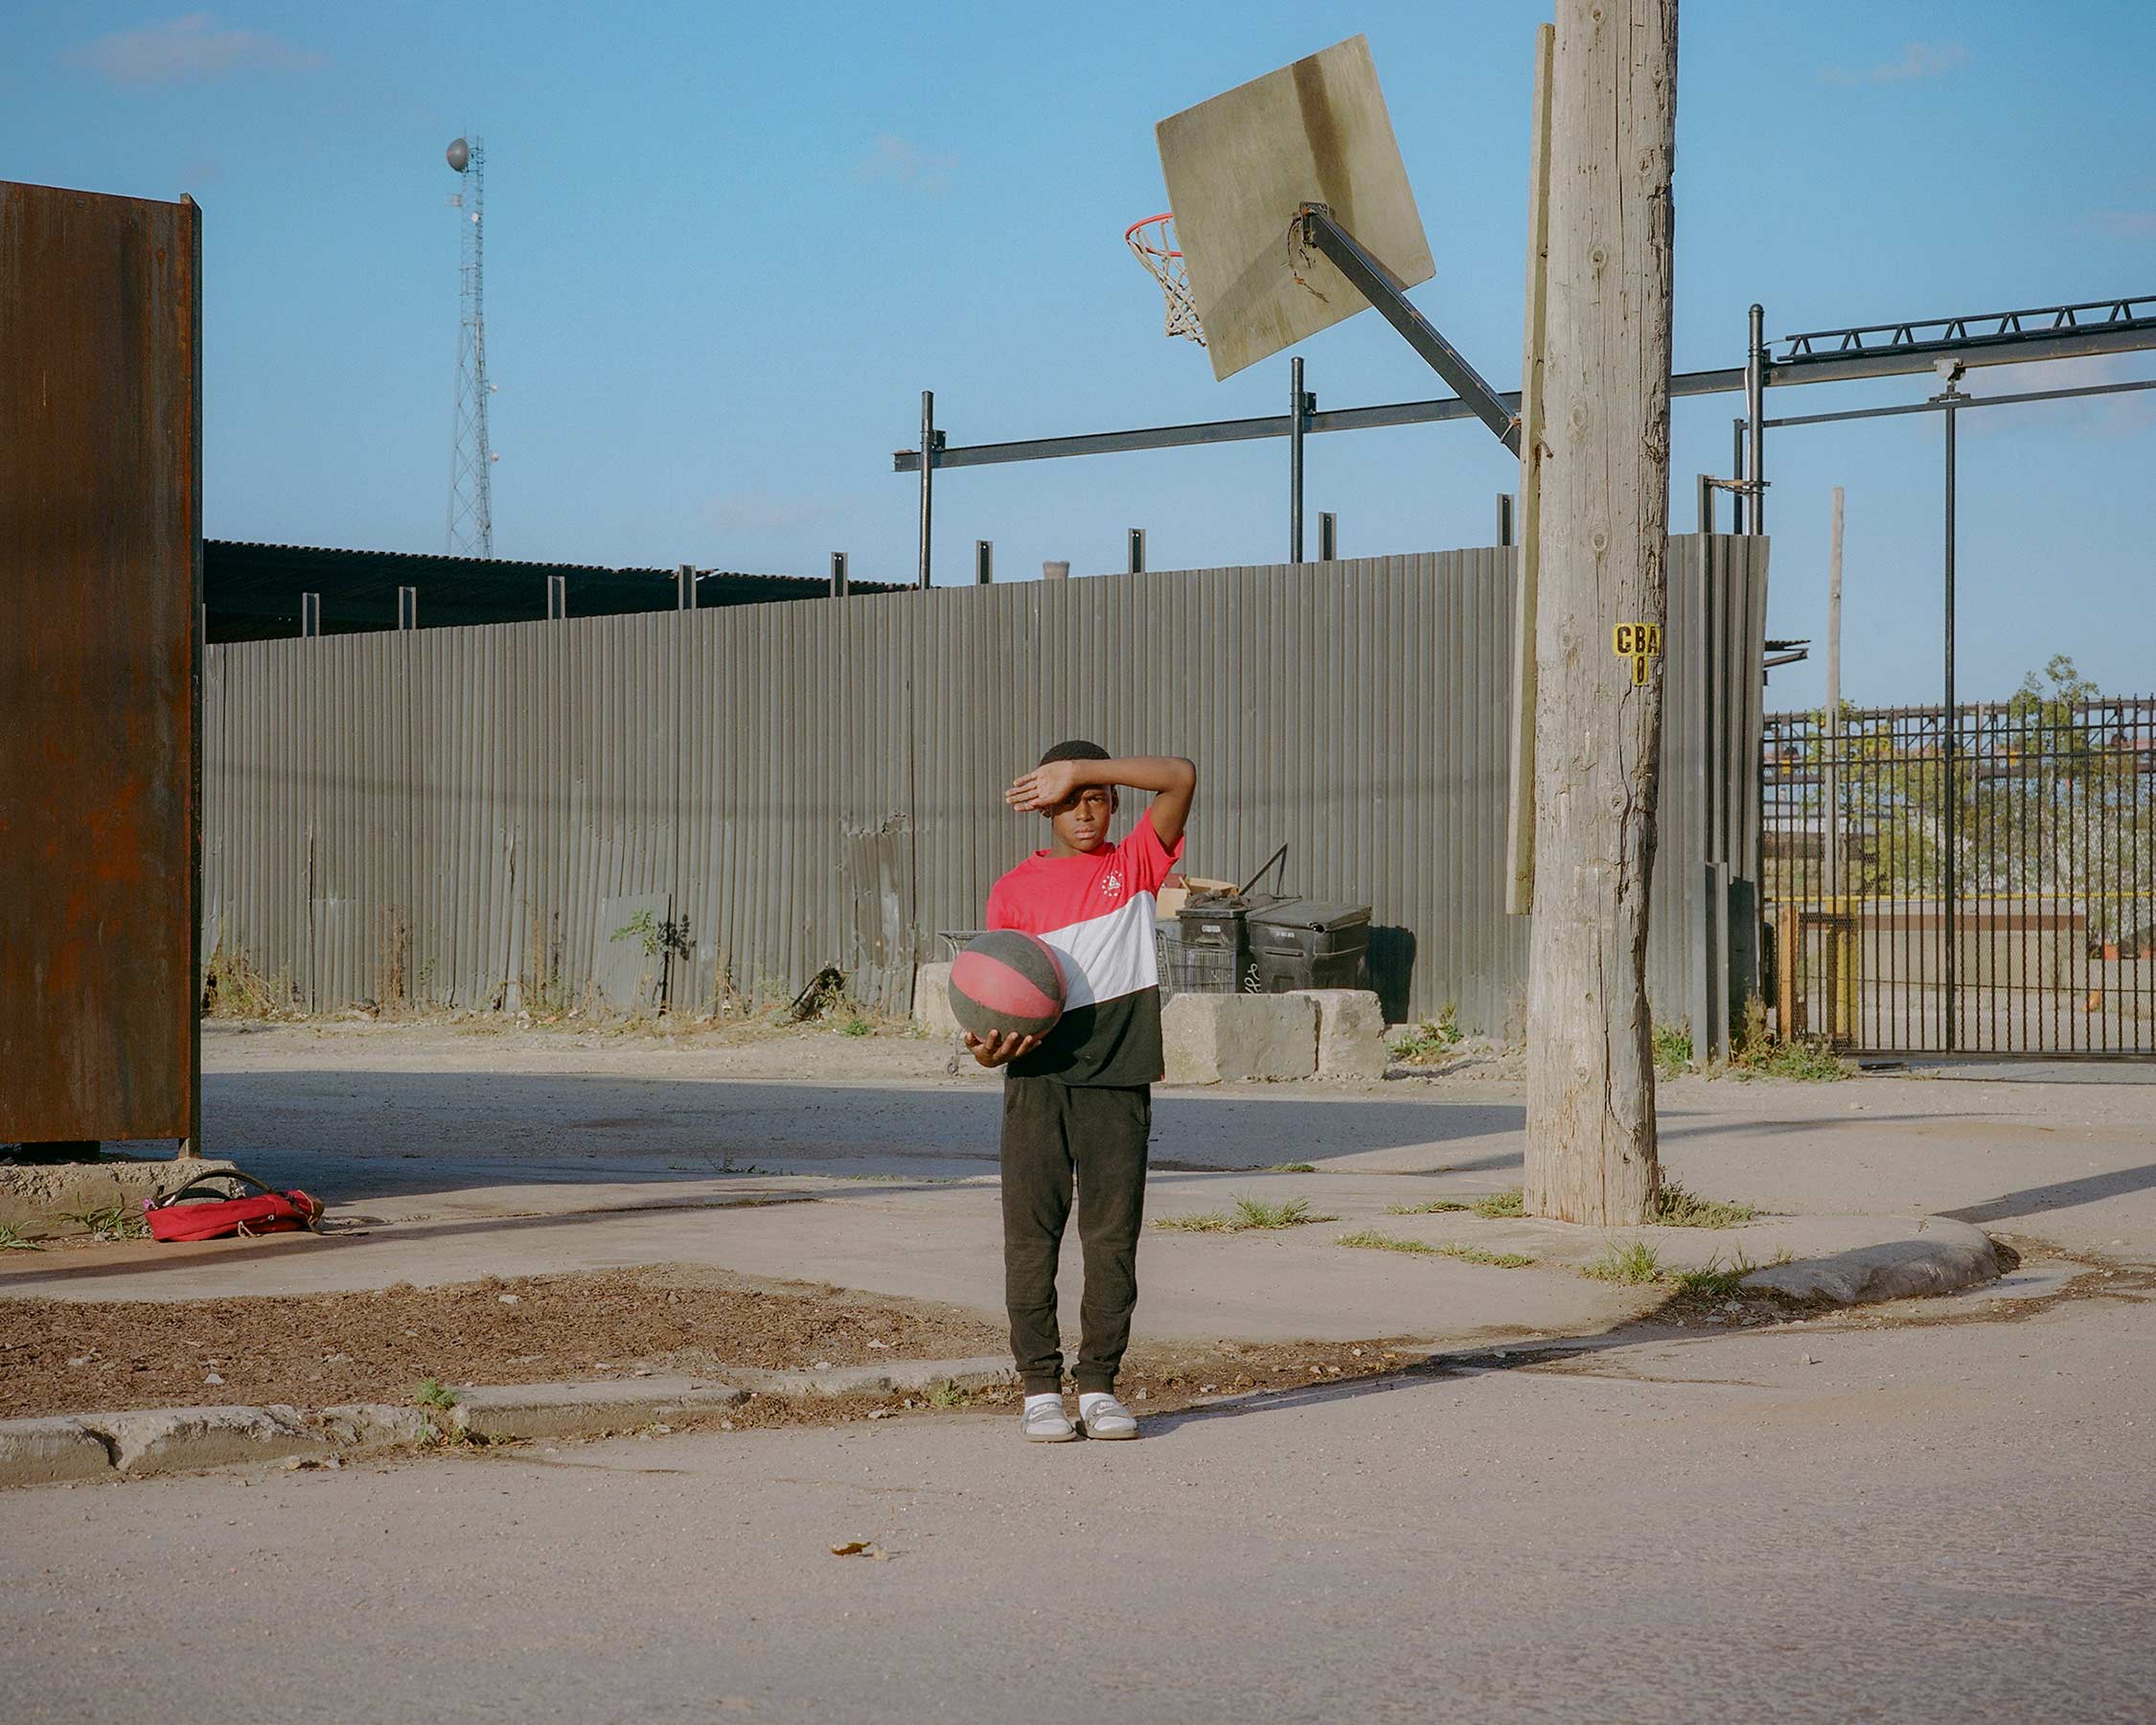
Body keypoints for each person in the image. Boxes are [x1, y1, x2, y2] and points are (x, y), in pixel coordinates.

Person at [969, 741, 1197, 1442]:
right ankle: (1039, 1389)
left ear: (1113, 800)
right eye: (1068, 802)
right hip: (1037, 1080)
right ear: (1045, 809)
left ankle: (1099, 1385)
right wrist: (985, 1050)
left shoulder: (1133, 866)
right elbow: (992, 1002)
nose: (1085, 813)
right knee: (1031, 1240)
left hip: (1119, 1080)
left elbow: (1180, 777)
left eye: (1095, 798)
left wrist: (1084, 769)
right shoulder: (1012, 889)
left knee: (1110, 1240)